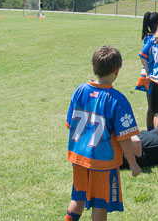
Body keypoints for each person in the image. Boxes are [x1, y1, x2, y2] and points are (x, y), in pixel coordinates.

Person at [65, 46, 141, 221]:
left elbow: (70, 125)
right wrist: (132, 163)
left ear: (94, 67)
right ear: (117, 70)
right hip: (103, 162)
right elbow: (124, 139)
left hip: (78, 157)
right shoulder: (117, 100)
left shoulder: (79, 90)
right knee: (100, 204)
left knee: (77, 198)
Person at [136, 11, 158, 131]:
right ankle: (153, 132)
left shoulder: (147, 37)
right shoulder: (155, 39)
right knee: (155, 108)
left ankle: (150, 130)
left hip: (147, 75)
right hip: (152, 75)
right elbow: (143, 56)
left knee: (151, 107)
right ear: (157, 24)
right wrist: (149, 72)